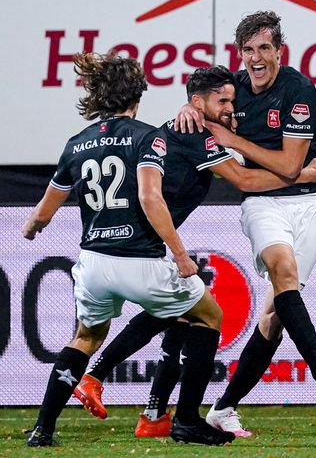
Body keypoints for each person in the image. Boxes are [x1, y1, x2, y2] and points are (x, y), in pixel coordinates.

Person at [68, 65, 316, 437]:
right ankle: (98, 377)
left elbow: (230, 158)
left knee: (179, 319)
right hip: (142, 238)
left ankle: (153, 416)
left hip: (141, 235)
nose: (229, 108)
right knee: (195, 313)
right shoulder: (198, 132)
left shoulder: (197, 125)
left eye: (231, 100)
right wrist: (302, 175)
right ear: (197, 103)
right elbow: (245, 180)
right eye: (222, 101)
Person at [21, 53, 236, 446]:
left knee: (85, 338)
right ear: (138, 92)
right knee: (209, 316)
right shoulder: (146, 136)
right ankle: (186, 420)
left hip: (93, 264)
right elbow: (151, 198)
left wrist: (31, 228)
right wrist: (182, 255)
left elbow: (42, 213)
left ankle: (43, 429)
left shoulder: (76, 144)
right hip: (138, 261)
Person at [177, 11, 316, 436]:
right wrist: (189, 105)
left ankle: (223, 407)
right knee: (283, 270)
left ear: (279, 51)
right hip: (262, 203)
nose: (256, 59)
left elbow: (293, 164)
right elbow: (202, 101)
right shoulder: (231, 88)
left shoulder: (298, 91)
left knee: (275, 314)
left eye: (264, 49)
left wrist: (234, 140)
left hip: (310, 205)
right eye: (248, 50)